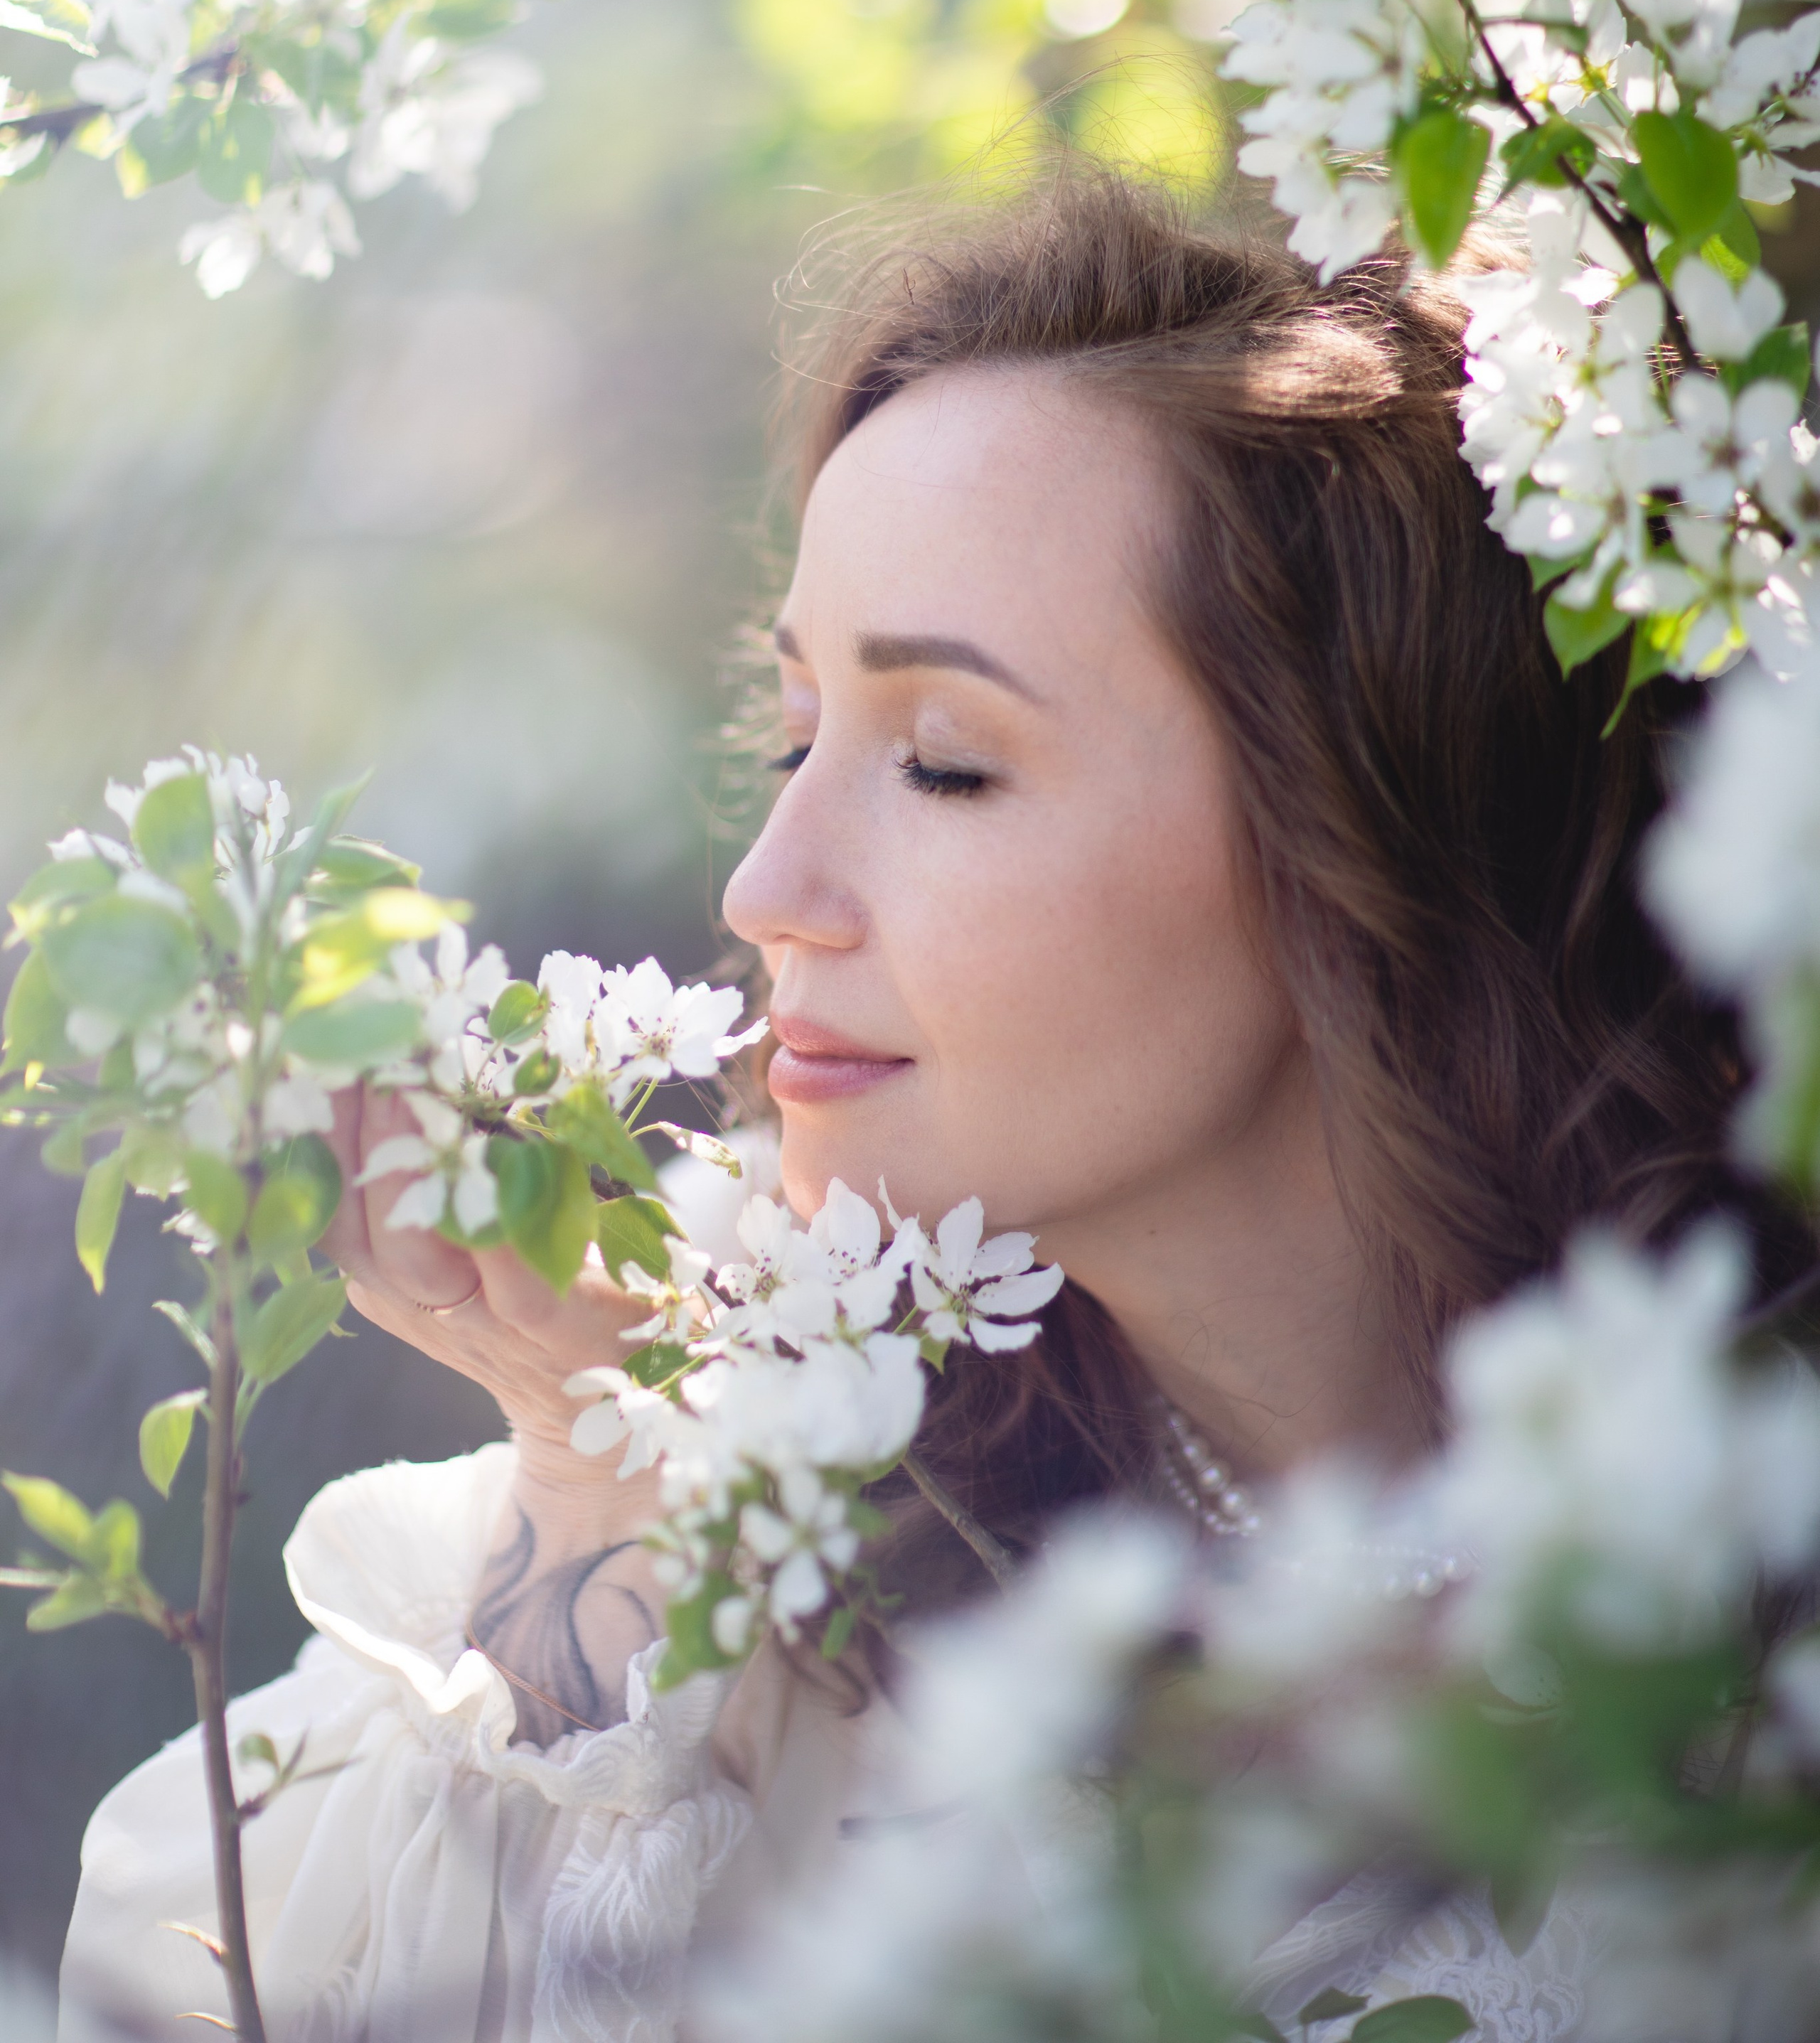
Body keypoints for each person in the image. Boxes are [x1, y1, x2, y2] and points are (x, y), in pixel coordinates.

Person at [59, 181, 1770, 2043]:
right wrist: (587, 1472)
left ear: (1365, 832)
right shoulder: (745, 1629)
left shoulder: (1750, 1637)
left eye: (945, 762)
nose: (767, 887)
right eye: (798, 736)